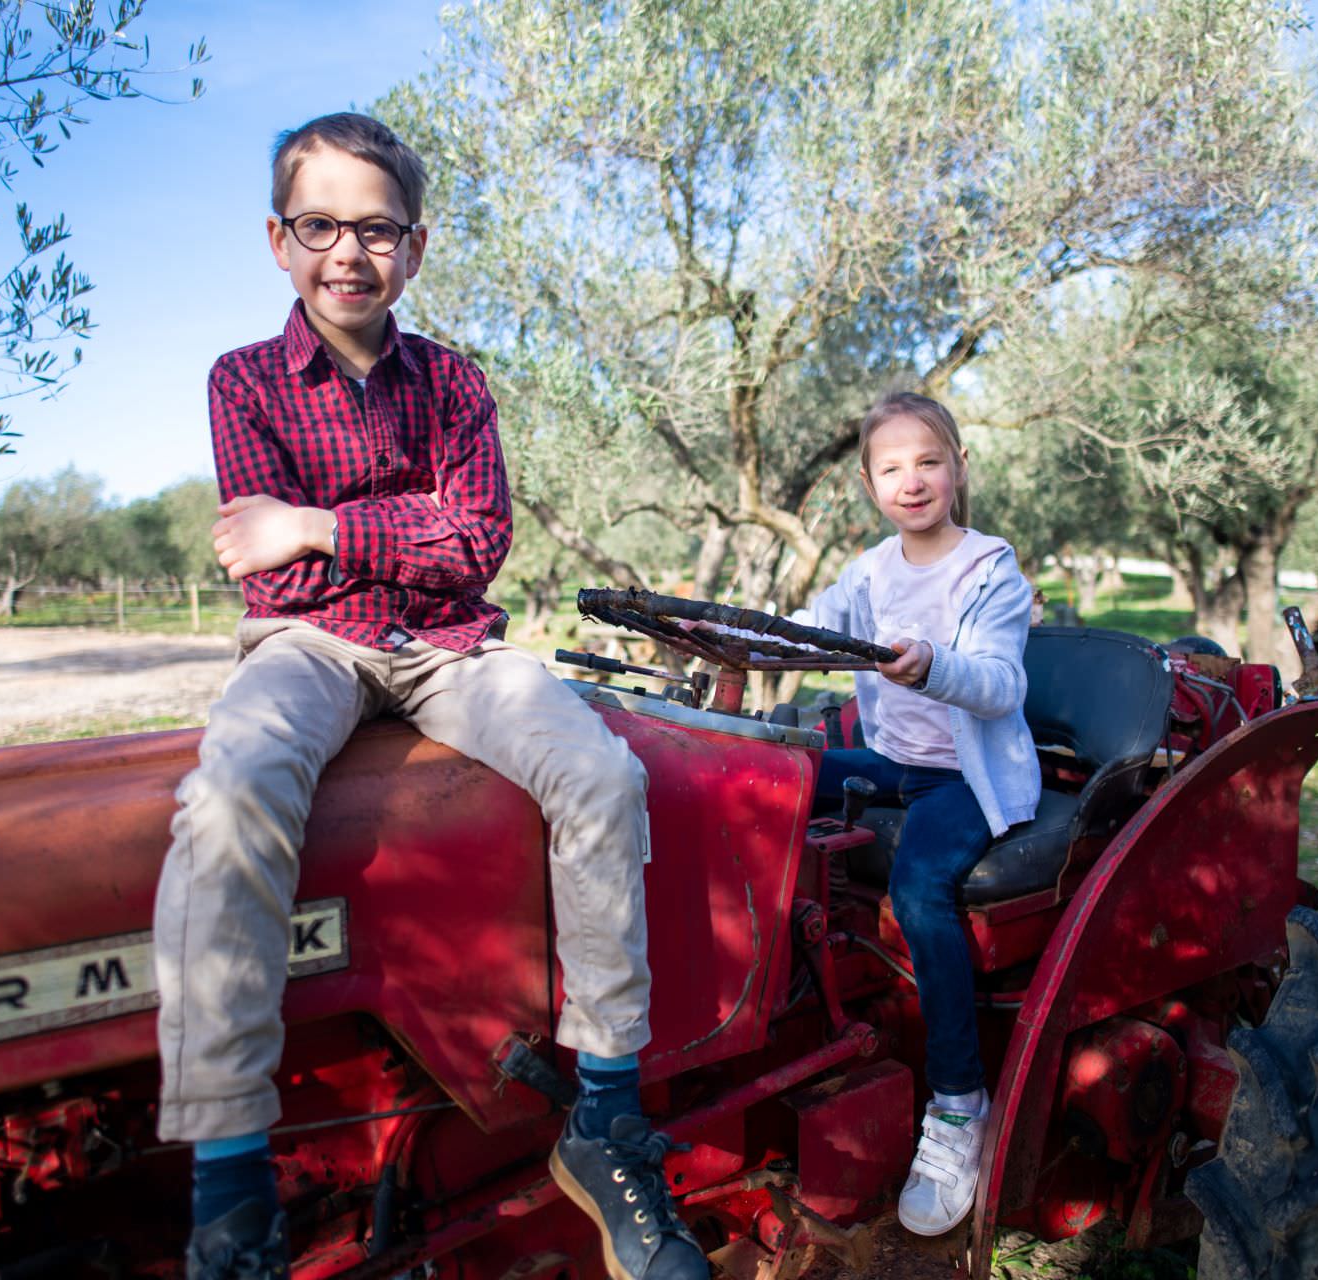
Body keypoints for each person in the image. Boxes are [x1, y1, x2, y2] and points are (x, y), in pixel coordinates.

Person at [153, 112, 706, 1280]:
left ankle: (606, 1106)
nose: (347, 252)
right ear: (277, 239)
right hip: (306, 645)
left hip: (454, 649)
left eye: (376, 228)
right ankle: (231, 1180)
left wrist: (314, 520)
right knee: (233, 791)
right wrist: (389, 536)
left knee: (602, 771)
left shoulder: (455, 383)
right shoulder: (244, 380)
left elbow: (478, 546)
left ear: (414, 245)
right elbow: (282, 576)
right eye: (320, 225)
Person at [794, 391, 1039, 1236]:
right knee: (770, 782)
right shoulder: (868, 571)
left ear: (958, 468)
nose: (913, 480)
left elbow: (1003, 684)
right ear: (869, 484)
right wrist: (720, 635)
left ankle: (959, 1105)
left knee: (921, 888)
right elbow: (806, 633)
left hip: (960, 781)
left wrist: (934, 665)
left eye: (928, 461)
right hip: (891, 764)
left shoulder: (988, 568)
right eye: (892, 466)